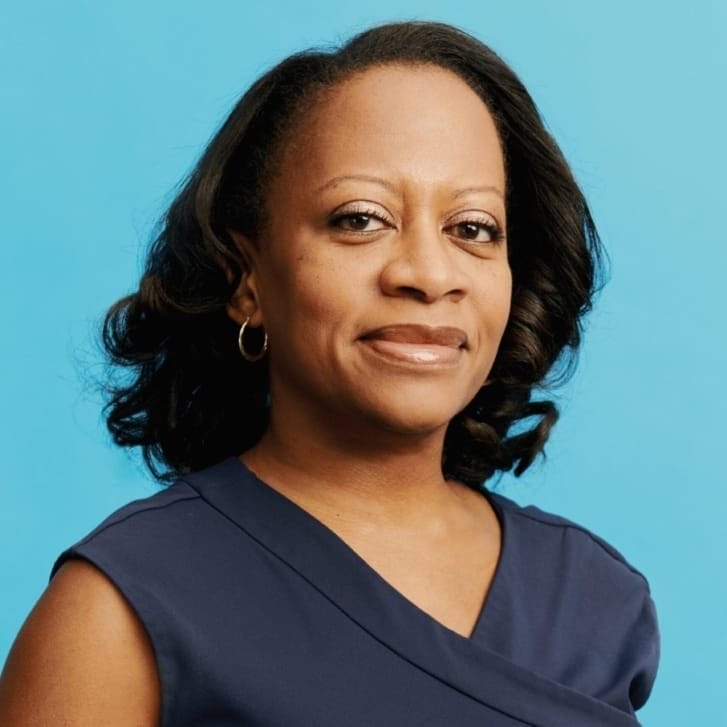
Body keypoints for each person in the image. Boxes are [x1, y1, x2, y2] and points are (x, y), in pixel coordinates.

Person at [0, 20, 659, 726]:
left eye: (472, 229)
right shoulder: (116, 611)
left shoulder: (594, 597)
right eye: (360, 219)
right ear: (245, 279)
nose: (428, 275)